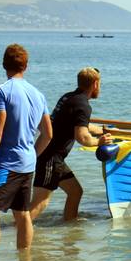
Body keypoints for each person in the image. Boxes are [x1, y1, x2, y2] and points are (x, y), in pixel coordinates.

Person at [0, 44, 53, 260]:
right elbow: (47, 134)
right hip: (27, 164)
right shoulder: (38, 95)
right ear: (26, 66)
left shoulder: (0, 92)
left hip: (5, 164)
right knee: (23, 214)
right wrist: (33, 155)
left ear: (3, 65)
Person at [30, 67, 113, 222]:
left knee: (75, 192)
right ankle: (17, 231)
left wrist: (102, 131)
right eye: (100, 84)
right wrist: (99, 142)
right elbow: (82, 137)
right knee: (40, 203)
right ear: (95, 84)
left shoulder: (69, 98)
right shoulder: (83, 105)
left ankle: (69, 226)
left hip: (52, 156)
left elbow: (81, 125)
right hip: (50, 158)